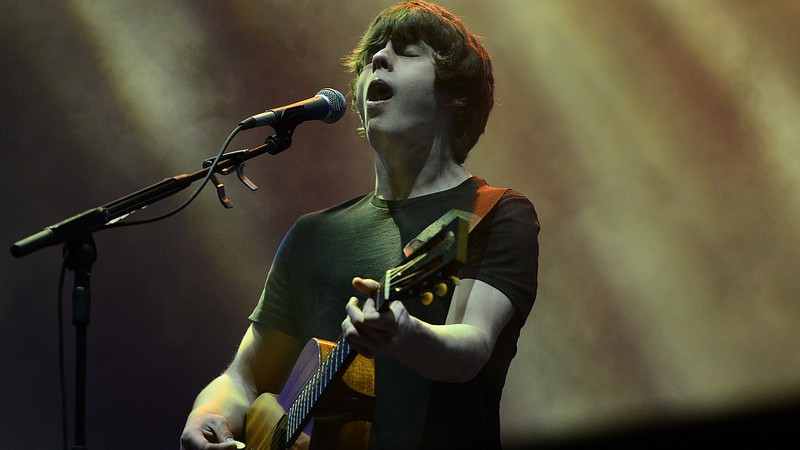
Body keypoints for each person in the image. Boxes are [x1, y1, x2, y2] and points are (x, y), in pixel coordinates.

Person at [180, 1, 539, 449]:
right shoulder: (313, 235)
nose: (378, 59)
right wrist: (207, 414)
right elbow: (245, 376)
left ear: (457, 95)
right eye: (373, 53)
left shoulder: (496, 212)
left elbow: (472, 348)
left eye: (407, 51)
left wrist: (405, 334)